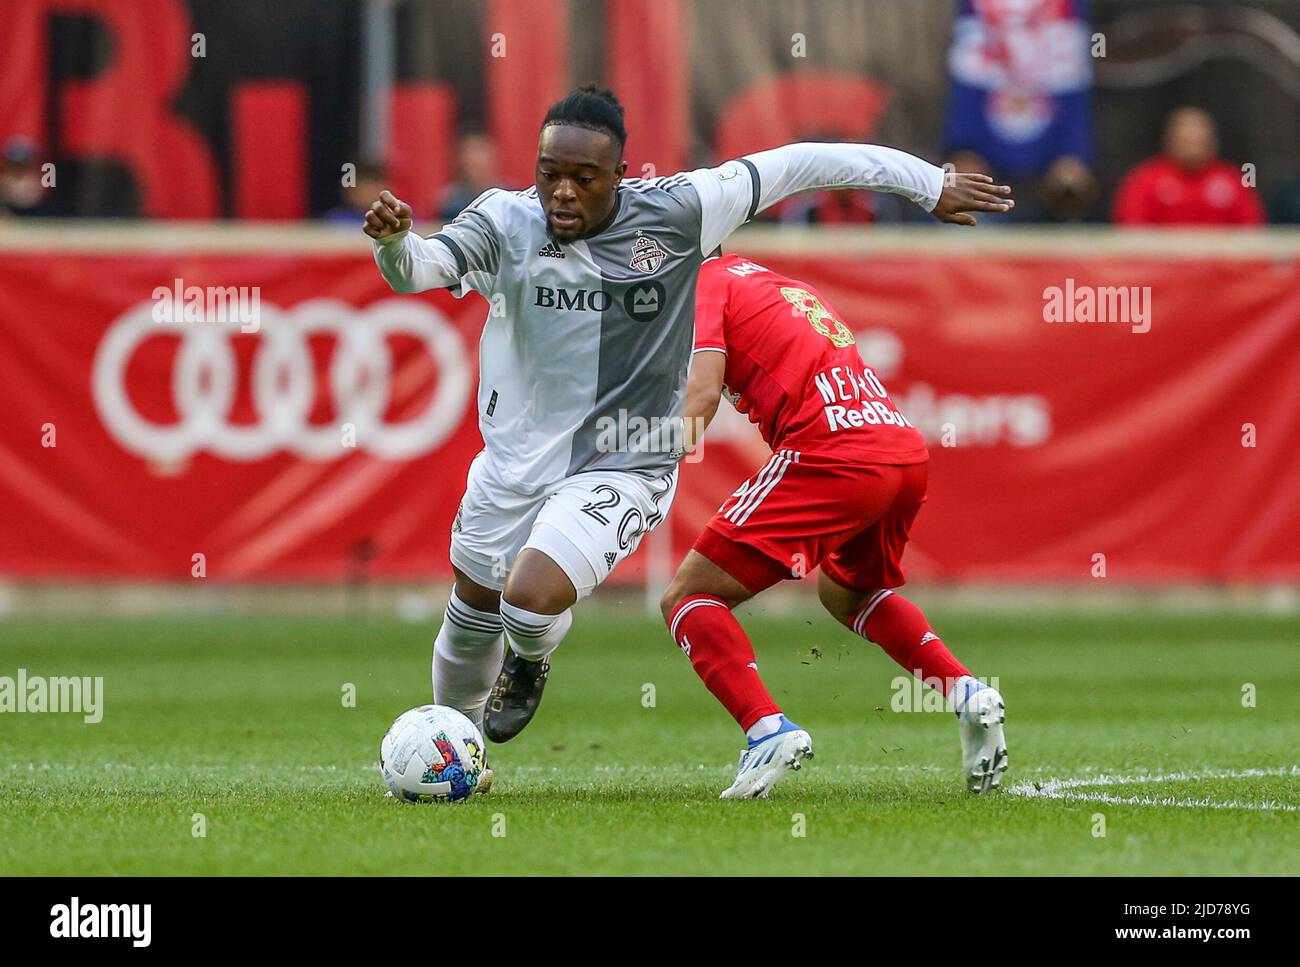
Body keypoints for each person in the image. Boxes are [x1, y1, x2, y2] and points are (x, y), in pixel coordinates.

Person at [363, 83, 1013, 744]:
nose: (561, 192)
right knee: (470, 615)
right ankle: (458, 748)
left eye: (583, 178)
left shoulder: (681, 210)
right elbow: (420, 267)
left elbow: (806, 163)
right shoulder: (505, 220)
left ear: (618, 175)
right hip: (511, 460)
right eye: (549, 173)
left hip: (623, 459)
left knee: (526, 604)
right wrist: (394, 245)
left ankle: (529, 659)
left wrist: (928, 184)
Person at [659, 251, 1009, 798]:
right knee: (849, 595)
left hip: (831, 453)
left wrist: (640, 458)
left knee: (688, 596)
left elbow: (702, 394)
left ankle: (767, 730)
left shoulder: (707, 283)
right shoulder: (776, 283)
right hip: (898, 449)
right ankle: (968, 694)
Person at [1112, 107, 1264, 226]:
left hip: (1222, 263)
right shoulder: (1145, 178)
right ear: (1170, 141)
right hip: (1163, 263)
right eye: (1186, 141)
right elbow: (1131, 229)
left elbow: (1252, 228)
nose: (1193, 149)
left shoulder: (1234, 178)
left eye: (1199, 142)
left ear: (1213, 142)